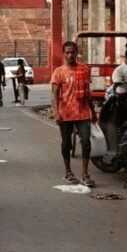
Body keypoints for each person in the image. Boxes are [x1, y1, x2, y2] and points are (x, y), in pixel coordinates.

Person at [51, 41, 97, 187]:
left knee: (86, 142)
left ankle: (85, 174)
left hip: (83, 112)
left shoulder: (84, 69)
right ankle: (68, 172)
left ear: (77, 53)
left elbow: (88, 92)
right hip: (66, 113)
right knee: (66, 144)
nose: (70, 55)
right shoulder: (59, 72)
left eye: (73, 52)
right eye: (67, 52)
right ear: (64, 54)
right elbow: (54, 94)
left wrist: (92, 110)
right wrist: (56, 112)